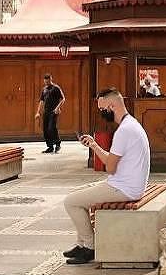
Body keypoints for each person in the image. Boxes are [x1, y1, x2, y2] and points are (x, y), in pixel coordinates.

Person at [62, 88, 150, 265]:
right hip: (129, 185)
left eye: (103, 110)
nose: (102, 113)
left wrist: (97, 150)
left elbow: (110, 168)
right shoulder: (131, 124)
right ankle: (81, 244)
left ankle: (89, 247)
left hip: (124, 189)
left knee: (71, 201)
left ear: (112, 106)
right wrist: (94, 145)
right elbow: (112, 162)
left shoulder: (124, 131)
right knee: (80, 195)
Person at [35, 74, 65, 154]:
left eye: (48, 81)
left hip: (54, 112)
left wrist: (57, 108)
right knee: (45, 129)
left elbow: (63, 99)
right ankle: (50, 146)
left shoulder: (56, 88)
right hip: (46, 112)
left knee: (51, 128)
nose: (46, 82)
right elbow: (41, 101)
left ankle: (58, 144)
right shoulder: (44, 89)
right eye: (45, 81)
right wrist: (38, 112)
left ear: (51, 79)